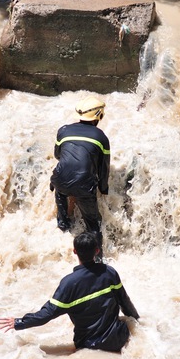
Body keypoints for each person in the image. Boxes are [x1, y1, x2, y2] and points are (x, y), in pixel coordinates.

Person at [0, 231, 139, 352]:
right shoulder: (109, 273)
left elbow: (47, 314)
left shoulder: (69, 284)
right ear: (97, 251)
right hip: (117, 340)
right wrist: (138, 322)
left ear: (74, 251)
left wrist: (19, 322)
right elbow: (124, 302)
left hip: (87, 346)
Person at [50, 96, 110, 246]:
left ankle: (63, 226)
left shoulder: (63, 130)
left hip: (59, 180)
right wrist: (103, 188)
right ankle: (97, 260)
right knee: (93, 224)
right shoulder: (101, 137)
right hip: (83, 187)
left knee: (60, 191)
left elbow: (58, 155)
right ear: (99, 115)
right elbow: (104, 168)